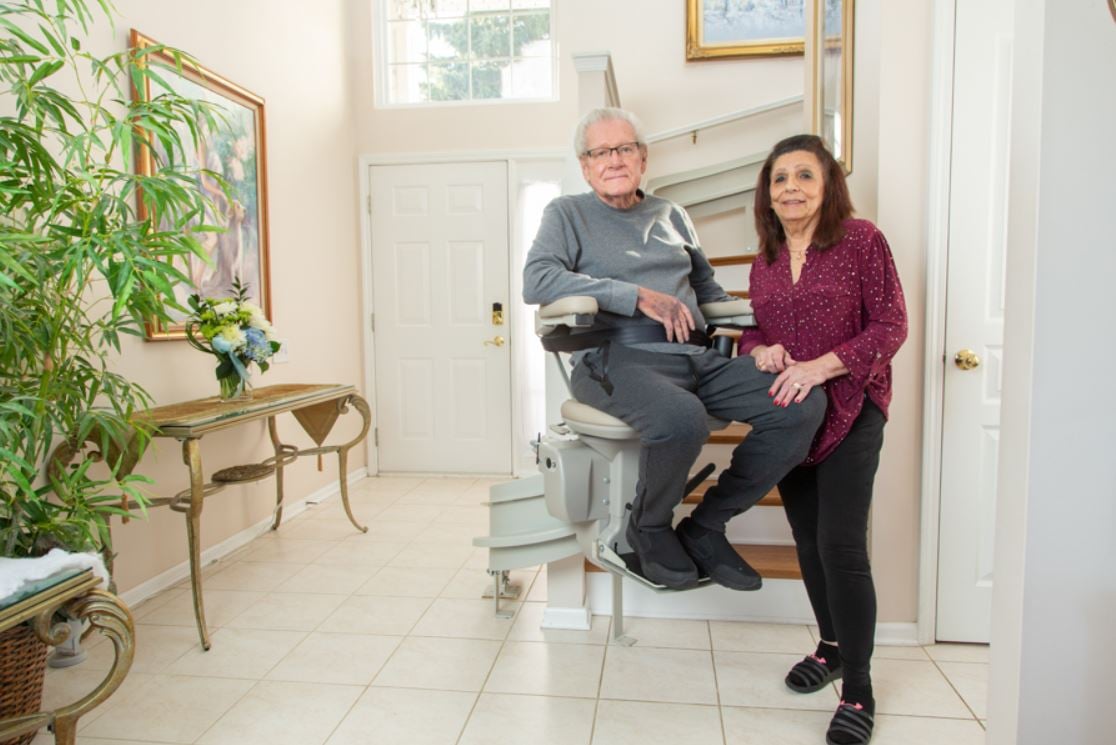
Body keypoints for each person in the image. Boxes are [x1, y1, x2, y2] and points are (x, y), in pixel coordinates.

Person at [523, 107, 825, 592]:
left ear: (643, 158)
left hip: (695, 356)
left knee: (800, 403)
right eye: (600, 152)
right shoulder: (567, 214)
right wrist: (634, 295)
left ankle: (705, 526)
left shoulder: (672, 215)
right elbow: (536, 279)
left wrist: (762, 340)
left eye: (624, 149)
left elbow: (709, 295)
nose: (614, 160)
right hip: (615, 358)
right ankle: (649, 526)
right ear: (585, 166)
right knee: (681, 418)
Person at [739, 134, 908, 745]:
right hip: (791, 417)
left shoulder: (862, 241)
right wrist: (764, 351)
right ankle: (831, 646)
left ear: (827, 183)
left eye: (804, 176)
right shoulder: (765, 258)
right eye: (779, 177)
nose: (790, 188)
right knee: (807, 541)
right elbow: (753, 330)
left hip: (853, 406)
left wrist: (822, 364)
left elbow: (892, 324)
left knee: (841, 547)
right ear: (767, 190)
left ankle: (858, 689)